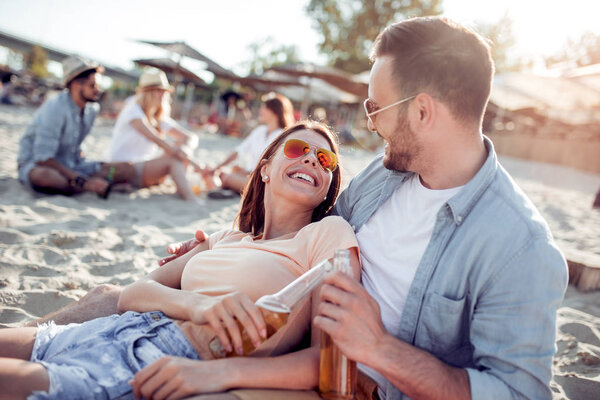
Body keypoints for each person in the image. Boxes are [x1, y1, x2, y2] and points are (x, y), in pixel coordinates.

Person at [20, 17, 569, 400]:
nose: (370, 126)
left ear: (422, 111)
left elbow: (518, 392)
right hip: (259, 337)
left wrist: (379, 350)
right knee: (97, 303)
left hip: (335, 378)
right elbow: (300, 229)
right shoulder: (384, 178)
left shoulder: (519, 249)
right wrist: (216, 253)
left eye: (376, 110)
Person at [0, 121, 361, 400]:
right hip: (117, 329)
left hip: (161, 358)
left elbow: (330, 361)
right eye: (298, 149)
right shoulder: (227, 236)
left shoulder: (327, 235)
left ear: (328, 185)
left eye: (325, 159)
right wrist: (196, 304)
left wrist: (224, 374)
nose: (312, 159)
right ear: (265, 169)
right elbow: (133, 293)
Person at [17, 55, 136, 197]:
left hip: (73, 165)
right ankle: (89, 187)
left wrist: (84, 165)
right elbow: (43, 158)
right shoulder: (55, 107)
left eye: (98, 85)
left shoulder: (92, 109)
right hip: (42, 166)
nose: (98, 90)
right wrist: (83, 181)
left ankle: (101, 184)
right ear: (75, 84)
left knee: (127, 169)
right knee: (44, 177)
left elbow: (76, 148)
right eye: (93, 85)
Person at [107, 69, 202, 201]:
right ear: (148, 92)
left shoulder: (156, 114)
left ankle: (187, 190)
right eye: (159, 90)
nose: (163, 95)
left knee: (180, 147)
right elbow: (157, 140)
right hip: (123, 168)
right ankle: (190, 197)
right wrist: (191, 161)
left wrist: (185, 149)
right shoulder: (133, 110)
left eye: (165, 91)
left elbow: (191, 137)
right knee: (173, 159)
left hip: (141, 166)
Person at [209, 92, 295, 197]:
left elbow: (275, 167)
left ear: (274, 111)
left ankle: (235, 189)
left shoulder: (283, 136)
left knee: (227, 177)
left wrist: (248, 173)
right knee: (220, 172)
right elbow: (239, 150)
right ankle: (236, 190)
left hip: (265, 182)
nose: (260, 111)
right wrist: (218, 167)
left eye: (263, 108)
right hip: (250, 176)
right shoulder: (260, 131)